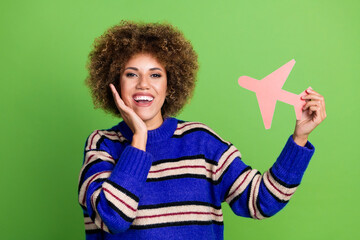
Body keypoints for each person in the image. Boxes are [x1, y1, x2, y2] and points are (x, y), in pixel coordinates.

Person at [78, 20, 326, 240]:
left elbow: (260, 201)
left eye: (155, 75)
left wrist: (300, 138)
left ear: (170, 84)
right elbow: (113, 218)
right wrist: (139, 139)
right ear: (114, 83)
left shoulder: (202, 142)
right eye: (131, 74)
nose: (144, 84)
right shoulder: (101, 145)